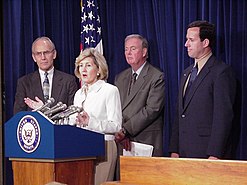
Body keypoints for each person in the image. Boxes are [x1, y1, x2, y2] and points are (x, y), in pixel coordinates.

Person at [169, 20, 237, 159]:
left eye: (191, 40)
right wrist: (174, 148)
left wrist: (215, 153)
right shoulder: (186, 73)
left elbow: (223, 117)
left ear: (205, 43)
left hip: (206, 153)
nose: (186, 44)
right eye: (186, 39)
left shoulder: (221, 72)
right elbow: (179, 114)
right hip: (183, 153)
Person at [70, 48, 122, 185]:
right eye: (80, 66)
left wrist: (90, 122)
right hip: (82, 148)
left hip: (104, 147)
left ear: (98, 69)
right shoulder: (78, 94)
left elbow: (116, 125)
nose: (83, 70)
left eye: (88, 65)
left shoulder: (109, 91)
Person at [114, 34, 165, 157]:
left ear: (144, 52)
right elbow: (115, 107)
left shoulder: (156, 76)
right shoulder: (119, 78)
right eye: (126, 49)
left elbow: (152, 110)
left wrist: (126, 130)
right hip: (122, 141)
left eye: (133, 49)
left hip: (144, 140)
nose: (128, 53)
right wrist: (120, 132)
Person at [13, 36, 78, 114]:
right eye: (38, 54)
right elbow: (18, 115)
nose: (43, 57)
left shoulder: (68, 81)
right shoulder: (24, 82)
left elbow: (73, 113)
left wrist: (45, 110)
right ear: (34, 57)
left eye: (46, 52)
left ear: (54, 54)